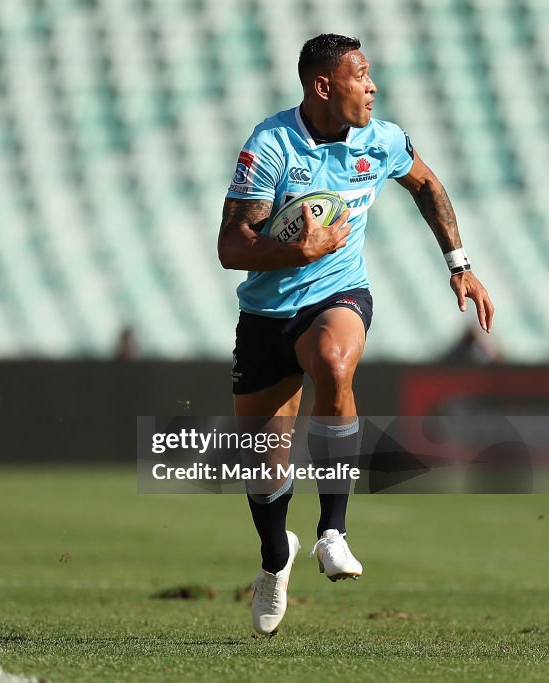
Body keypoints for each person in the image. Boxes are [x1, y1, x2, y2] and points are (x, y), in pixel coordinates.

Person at [217, 34, 494, 636]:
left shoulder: (384, 139)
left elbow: (426, 184)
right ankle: (273, 561)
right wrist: (297, 248)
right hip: (266, 315)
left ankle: (332, 532)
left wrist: (461, 264)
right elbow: (231, 246)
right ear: (323, 86)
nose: (372, 87)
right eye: (360, 76)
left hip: (338, 296)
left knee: (334, 362)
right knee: (264, 467)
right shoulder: (270, 145)